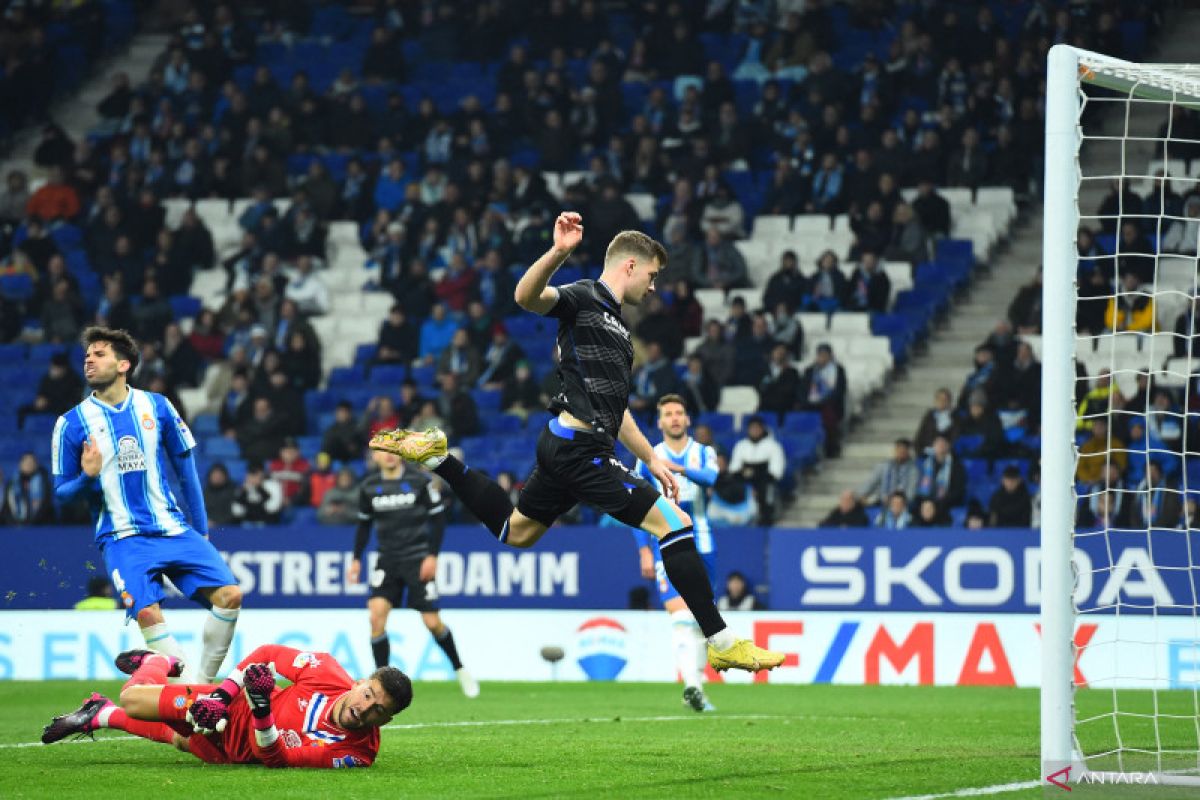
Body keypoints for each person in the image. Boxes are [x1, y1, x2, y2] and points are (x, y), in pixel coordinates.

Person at [370, 214, 783, 673]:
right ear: (630, 265)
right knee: (675, 522)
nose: (652, 288)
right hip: (579, 449)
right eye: (651, 276)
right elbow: (525, 297)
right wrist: (559, 252)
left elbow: (617, 411)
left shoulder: (621, 334)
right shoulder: (583, 297)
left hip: (569, 444)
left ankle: (441, 459)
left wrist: (652, 458)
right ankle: (721, 639)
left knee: (517, 531)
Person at [52, 327, 242, 684]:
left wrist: (200, 530)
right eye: (87, 355)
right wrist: (87, 477)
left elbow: (186, 471)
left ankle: (199, 686)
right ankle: (193, 698)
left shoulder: (157, 405)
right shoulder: (71, 423)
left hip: (173, 529)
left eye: (99, 353)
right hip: (123, 537)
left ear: (124, 364)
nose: (89, 359)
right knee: (149, 615)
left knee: (230, 596)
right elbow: (61, 495)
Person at [42, 646, 411, 769]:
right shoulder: (326, 672)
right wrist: (221, 697)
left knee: (179, 738)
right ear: (361, 682)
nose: (366, 709)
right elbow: (266, 654)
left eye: (379, 710)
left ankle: (99, 713)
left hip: (239, 751)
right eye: (369, 695)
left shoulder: (356, 753)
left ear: (388, 720)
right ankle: (155, 662)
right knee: (135, 700)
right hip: (233, 710)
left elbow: (277, 758)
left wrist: (264, 709)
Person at [629, 395, 719, 713]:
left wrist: (676, 468)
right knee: (681, 617)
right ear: (660, 422)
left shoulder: (703, 452)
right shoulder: (647, 457)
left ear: (688, 419)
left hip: (703, 544)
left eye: (679, 413)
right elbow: (635, 507)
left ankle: (696, 686)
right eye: (668, 414)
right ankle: (692, 686)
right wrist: (642, 550)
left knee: (698, 619)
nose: (675, 418)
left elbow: (712, 478)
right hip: (665, 542)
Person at [858, 439, 918, 507]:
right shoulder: (884, 466)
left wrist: (895, 500)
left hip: (901, 505)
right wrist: (862, 495)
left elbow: (910, 494)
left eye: (903, 451)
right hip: (881, 502)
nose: (900, 452)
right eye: (898, 449)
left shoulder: (913, 470)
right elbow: (871, 482)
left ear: (908, 452)